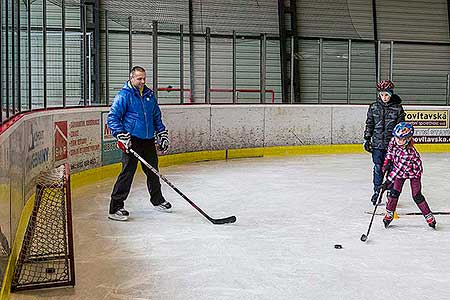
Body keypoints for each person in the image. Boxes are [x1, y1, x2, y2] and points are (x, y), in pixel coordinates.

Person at [107, 66, 171, 221]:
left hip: (148, 139)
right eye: (139, 78)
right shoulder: (124, 95)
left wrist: (161, 133)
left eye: (144, 78)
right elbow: (113, 117)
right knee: (127, 173)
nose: (142, 81)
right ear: (131, 78)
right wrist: (121, 135)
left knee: (153, 171)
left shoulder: (149, 95)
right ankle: (115, 207)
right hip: (132, 140)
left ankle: (157, 200)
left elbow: (156, 116)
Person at [381, 122, 436, 229]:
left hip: (414, 172)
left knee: (417, 195)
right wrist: (386, 162)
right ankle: (389, 215)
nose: (398, 141)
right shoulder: (394, 140)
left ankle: (429, 217)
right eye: (397, 138)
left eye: (402, 139)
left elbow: (398, 170)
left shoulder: (408, 153)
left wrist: (387, 182)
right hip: (400, 170)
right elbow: (390, 152)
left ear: (408, 139)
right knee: (394, 193)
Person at [363, 79, 405, 205]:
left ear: (391, 94)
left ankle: (390, 192)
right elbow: (369, 123)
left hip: (392, 146)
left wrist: (400, 144)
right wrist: (367, 138)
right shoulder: (373, 107)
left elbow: (401, 128)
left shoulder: (398, 109)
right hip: (377, 144)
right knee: (378, 168)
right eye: (382, 94)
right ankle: (377, 191)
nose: (384, 97)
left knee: (393, 169)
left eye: (386, 94)